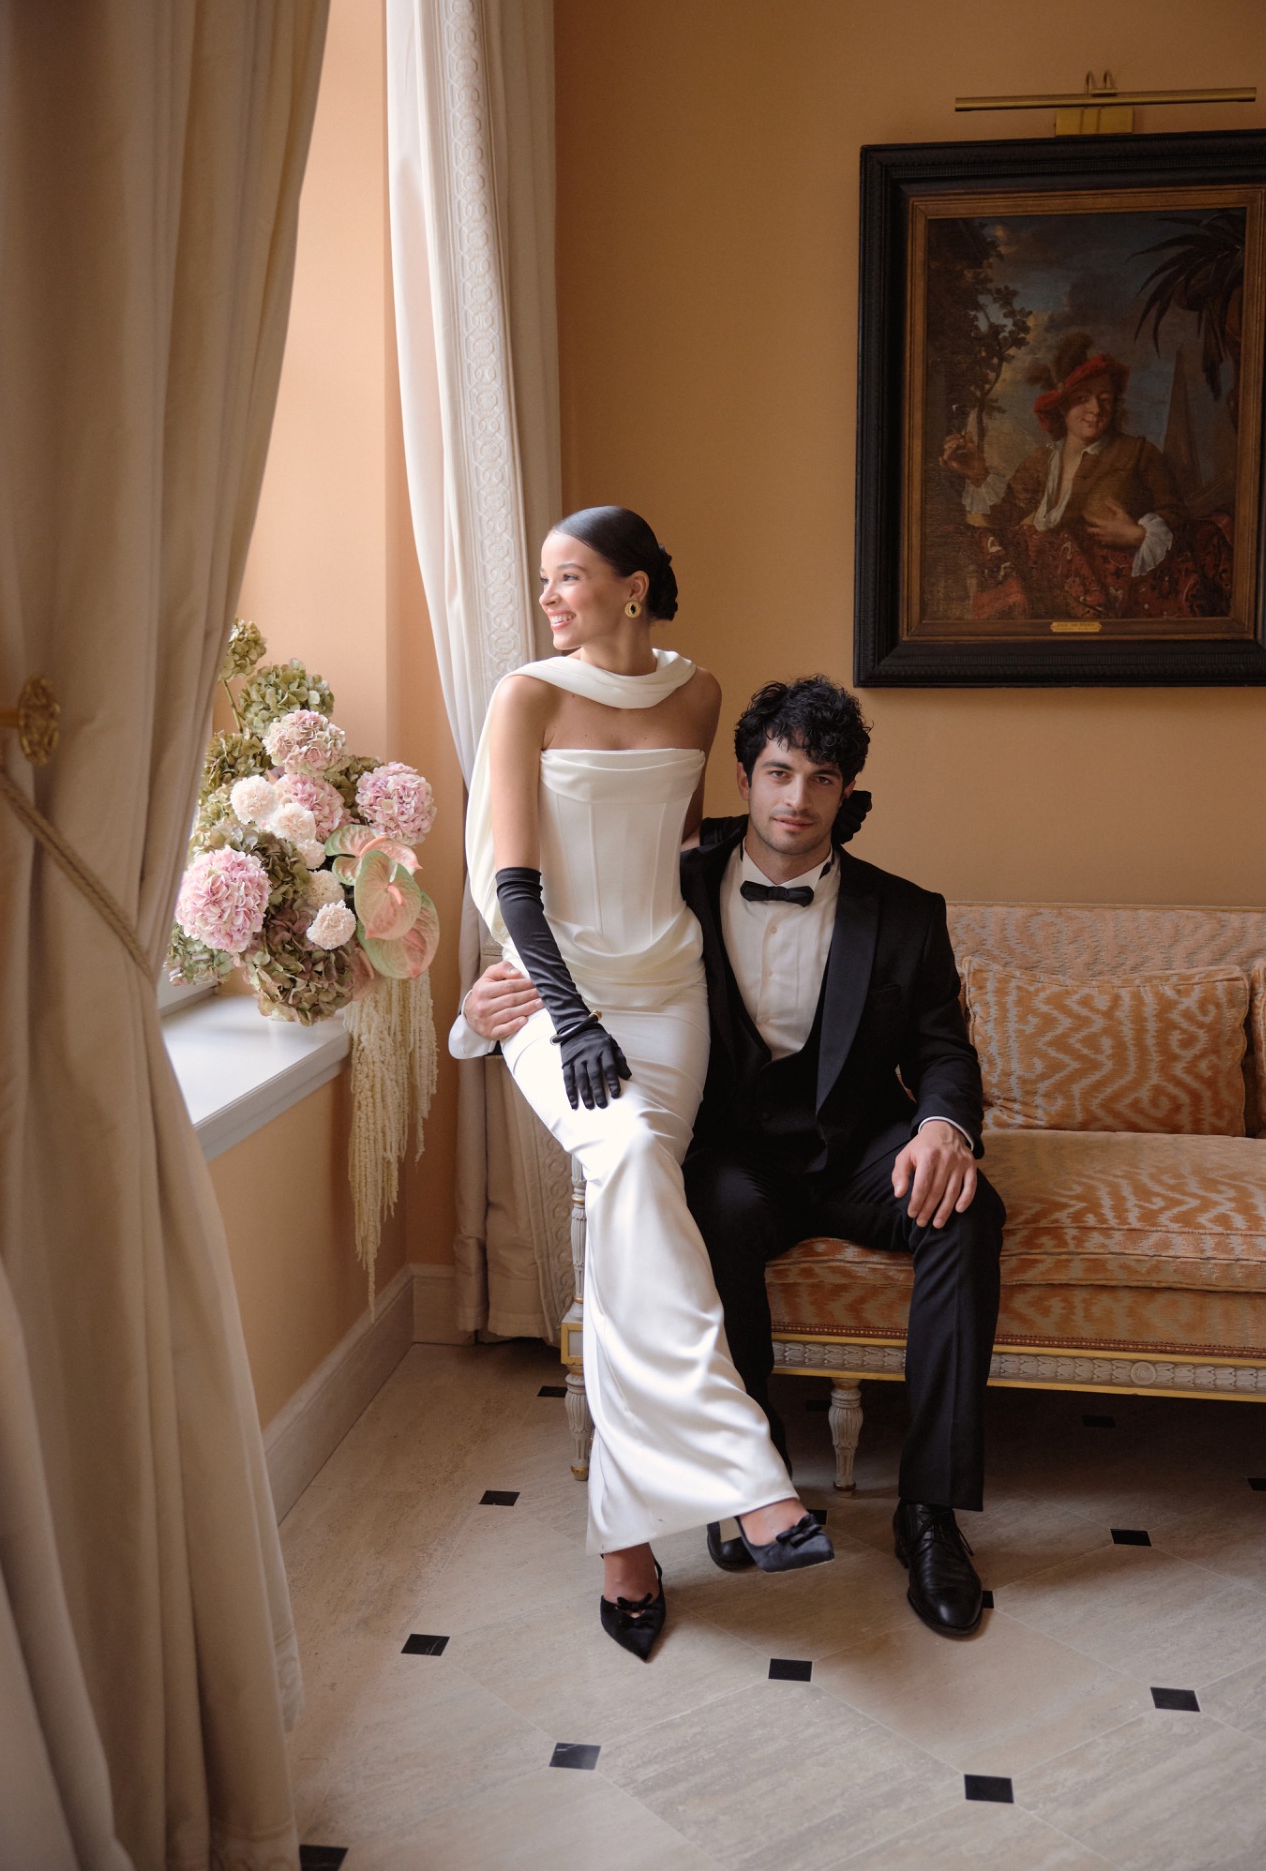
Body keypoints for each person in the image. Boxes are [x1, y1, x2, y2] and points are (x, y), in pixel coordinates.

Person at [464, 674, 1006, 1638]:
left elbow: (943, 1050)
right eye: (779, 772)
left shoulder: (907, 911)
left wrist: (943, 1128)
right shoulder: (665, 882)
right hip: (738, 1153)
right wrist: (486, 1006)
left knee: (968, 1210)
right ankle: (746, 1477)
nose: (798, 797)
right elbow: (573, 945)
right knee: (705, 1206)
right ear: (745, 779)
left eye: (822, 778)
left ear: (847, 793)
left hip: (861, 1151)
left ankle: (929, 1515)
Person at [455, 506, 833, 1663]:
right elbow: (513, 883)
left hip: (665, 993)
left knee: (629, 1217)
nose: (549, 599)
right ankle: (750, 1478)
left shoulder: (696, 693)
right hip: (556, 996)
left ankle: (626, 1545)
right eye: (543, 580)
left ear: (632, 586)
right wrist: (564, 1015)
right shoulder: (524, 696)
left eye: (567, 577)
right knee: (623, 1158)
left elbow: (675, 849)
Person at [940, 333, 1231, 620]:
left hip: (1120, 590)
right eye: (1083, 398)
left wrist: (1137, 534)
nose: (1096, 409)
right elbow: (1005, 518)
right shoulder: (1041, 461)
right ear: (1062, 404)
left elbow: (1176, 514)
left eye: (1105, 399)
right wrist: (978, 474)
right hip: (1054, 595)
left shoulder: (1139, 453)